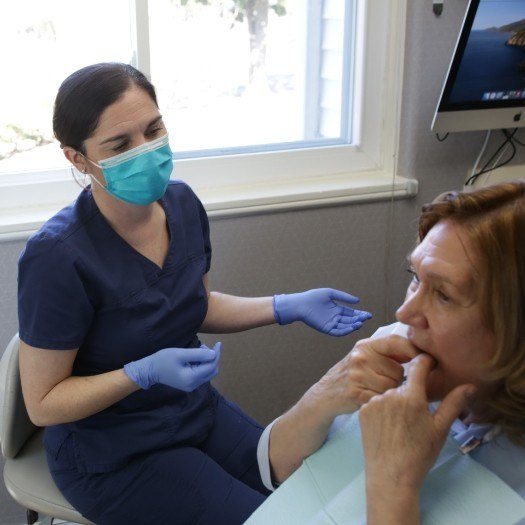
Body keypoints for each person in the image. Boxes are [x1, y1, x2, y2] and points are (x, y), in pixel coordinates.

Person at [17, 62, 372, 525]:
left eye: (153, 129)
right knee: (272, 519)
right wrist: (140, 374)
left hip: (191, 410)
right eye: (120, 145)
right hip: (113, 453)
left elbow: (195, 305)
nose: (145, 151)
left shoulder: (181, 203)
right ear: (77, 158)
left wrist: (285, 306)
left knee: (300, 486)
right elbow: (43, 404)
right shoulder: (56, 258)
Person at [254, 181, 525, 524]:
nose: (405, 313)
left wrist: (393, 486)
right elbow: (272, 468)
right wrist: (323, 397)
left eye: (443, 295)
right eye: (415, 277)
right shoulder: (396, 345)